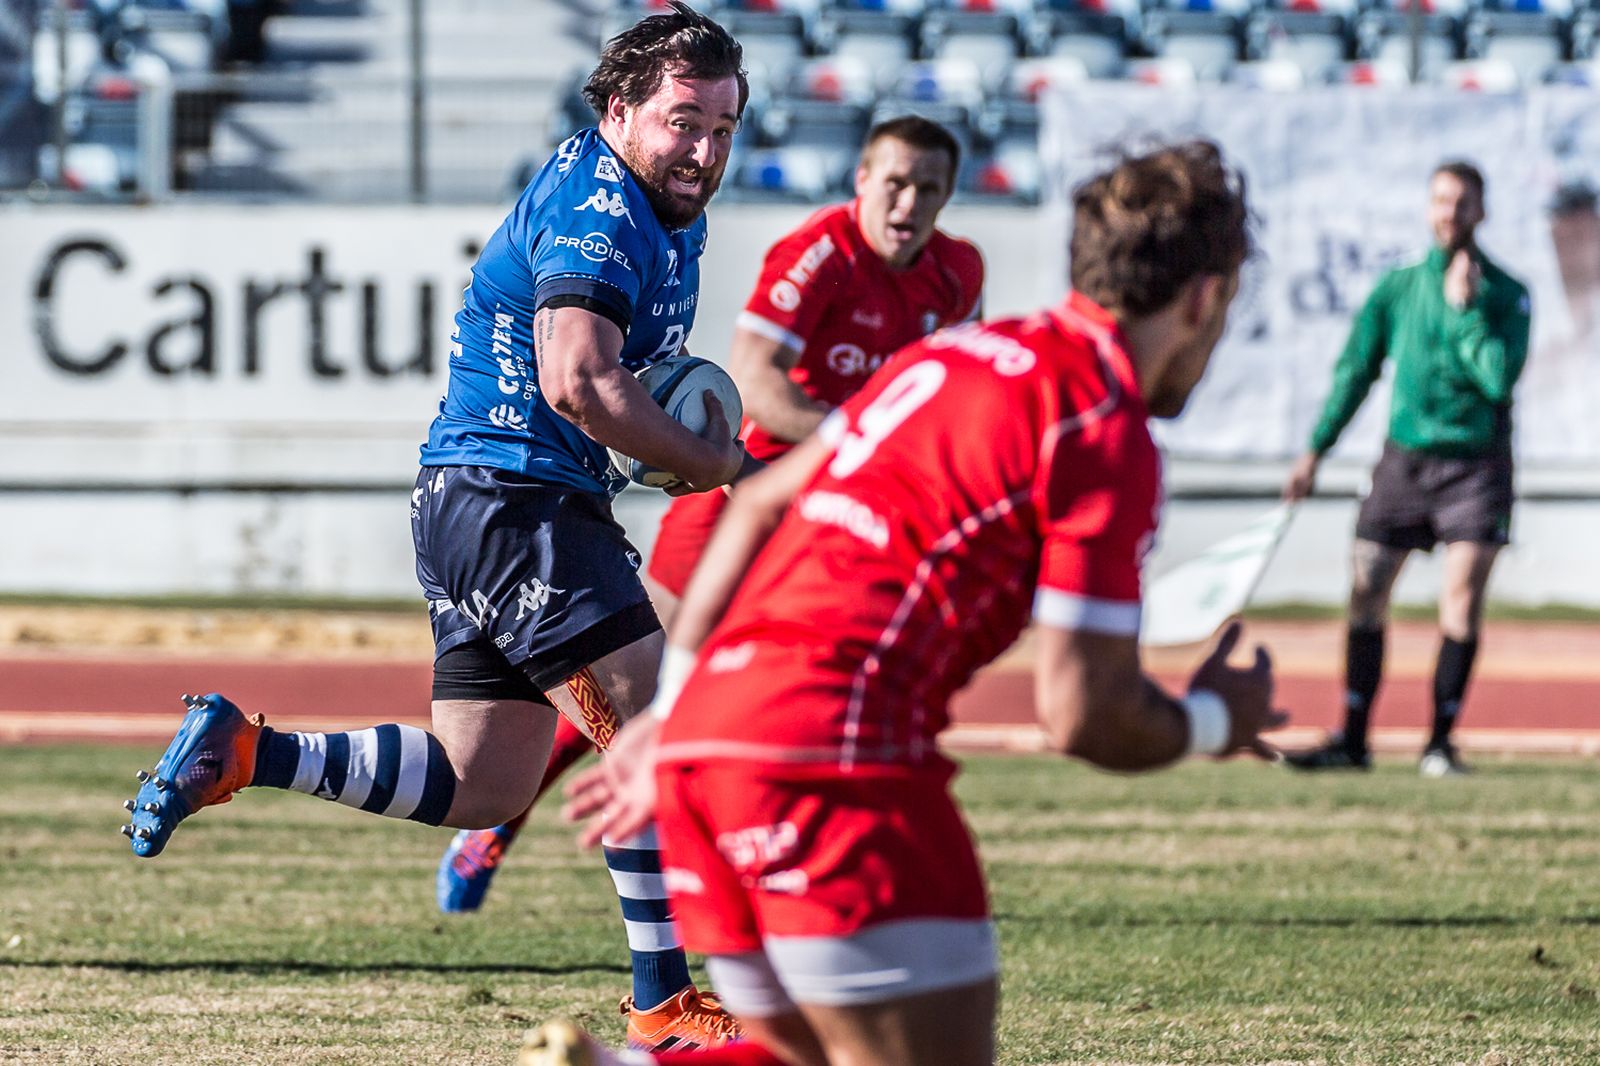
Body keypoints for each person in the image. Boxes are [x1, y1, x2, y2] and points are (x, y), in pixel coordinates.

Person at [518, 140, 1286, 1066]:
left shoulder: (959, 354)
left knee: (815, 1047)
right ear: (1204, 298)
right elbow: (1085, 713)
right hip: (834, 767)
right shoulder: (1099, 423)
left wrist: (671, 714)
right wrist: (1214, 719)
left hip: (703, 764)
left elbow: (759, 499)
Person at [119, 3, 753, 1050]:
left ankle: (246, 752)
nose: (704, 148)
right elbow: (580, 381)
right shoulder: (603, 205)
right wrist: (714, 464)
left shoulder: (647, 204)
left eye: (724, 127)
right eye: (685, 120)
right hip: (518, 503)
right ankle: (665, 1004)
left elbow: (605, 385)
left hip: (481, 503)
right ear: (620, 109)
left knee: (484, 780)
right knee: (657, 729)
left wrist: (671, 444)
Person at [436, 114, 987, 915]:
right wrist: (868, 439)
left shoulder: (957, 271)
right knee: (633, 681)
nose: (909, 204)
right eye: (896, 183)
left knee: (818, 680)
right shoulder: (818, 253)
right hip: (745, 493)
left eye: (928, 190)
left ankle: (818, 859)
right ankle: (501, 824)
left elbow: (947, 389)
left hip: (847, 509)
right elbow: (761, 386)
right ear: (863, 180)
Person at [1283, 161, 1531, 778]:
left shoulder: (1506, 294)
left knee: (1461, 598)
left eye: (1463, 202)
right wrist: (1316, 448)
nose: (1451, 212)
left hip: (1475, 468)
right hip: (1404, 462)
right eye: (1442, 201)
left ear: (1482, 211)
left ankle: (1440, 744)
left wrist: (1467, 311)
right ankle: (1354, 739)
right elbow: (1355, 371)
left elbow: (1498, 380)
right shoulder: (1397, 289)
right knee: (1366, 588)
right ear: (1429, 209)